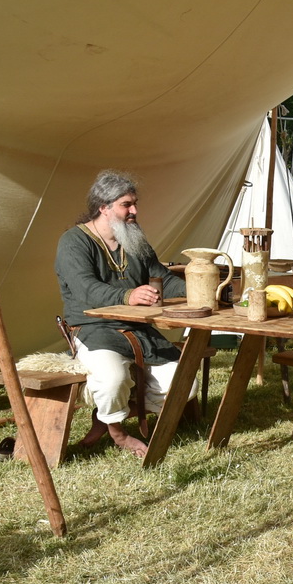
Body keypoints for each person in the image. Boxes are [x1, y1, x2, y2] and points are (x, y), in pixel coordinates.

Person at [55, 170, 189, 457]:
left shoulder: (134, 239)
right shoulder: (73, 242)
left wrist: (203, 288)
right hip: (93, 329)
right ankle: (119, 434)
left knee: (183, 385)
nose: (134, 211)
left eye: (134, 203)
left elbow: (162, 279)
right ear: (103, 207)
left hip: (138, 330)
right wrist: (129, 295)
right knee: (113, 380)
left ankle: (108, 416)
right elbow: (86, 289)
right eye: (126, 205)